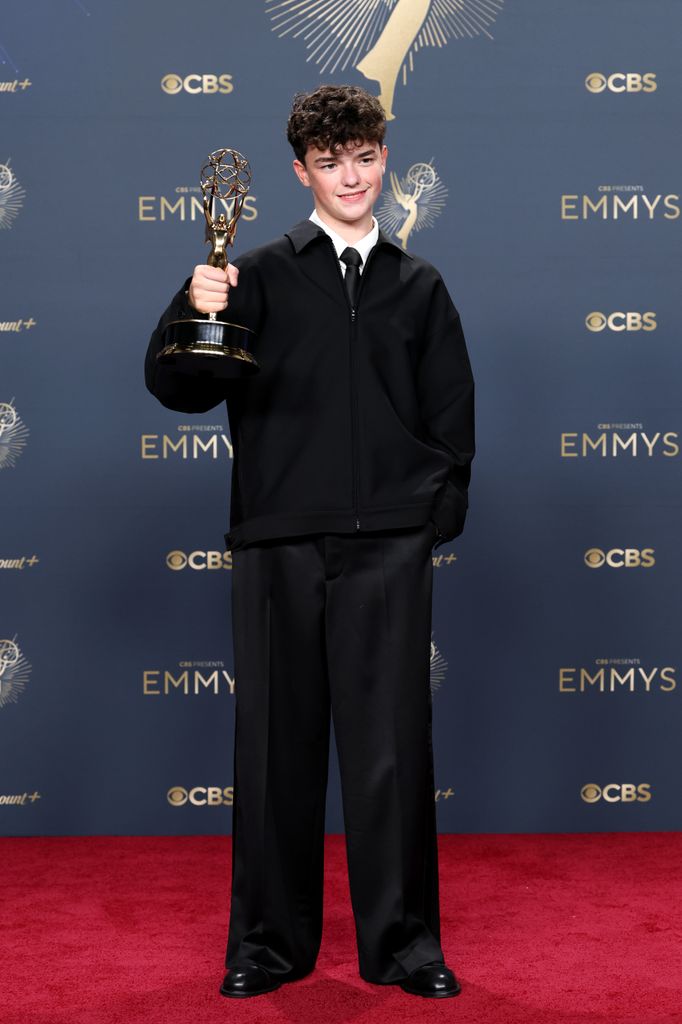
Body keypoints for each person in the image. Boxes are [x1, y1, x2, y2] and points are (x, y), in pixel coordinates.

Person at [145, 84, 475, 999]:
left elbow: (454, 419)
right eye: (330, 162)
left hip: (387, 550)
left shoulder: (420, 286)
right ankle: (264, 947)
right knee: (273, 754)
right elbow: (180, 389)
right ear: (302, 172)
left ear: (384, 160)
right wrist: (195, 302)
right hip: (278, 543)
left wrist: (424, 520)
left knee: (393, 754)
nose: (352, 176)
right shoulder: (250, 272)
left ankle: (406, 948)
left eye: (365, 157)